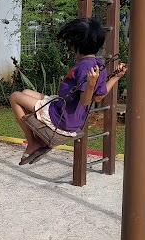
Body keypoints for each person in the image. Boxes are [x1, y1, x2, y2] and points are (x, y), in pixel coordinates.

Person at [9, 18, 128, 165]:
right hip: (72, 117)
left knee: (15, 96)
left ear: (76, 44)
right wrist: (116, 77)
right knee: (26, 92)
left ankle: (33, 141)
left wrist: (90, 85)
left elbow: (85, 101)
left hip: (62, 117)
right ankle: (39, 138)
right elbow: (98, 97)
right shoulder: (98, 64)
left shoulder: (85, 67)